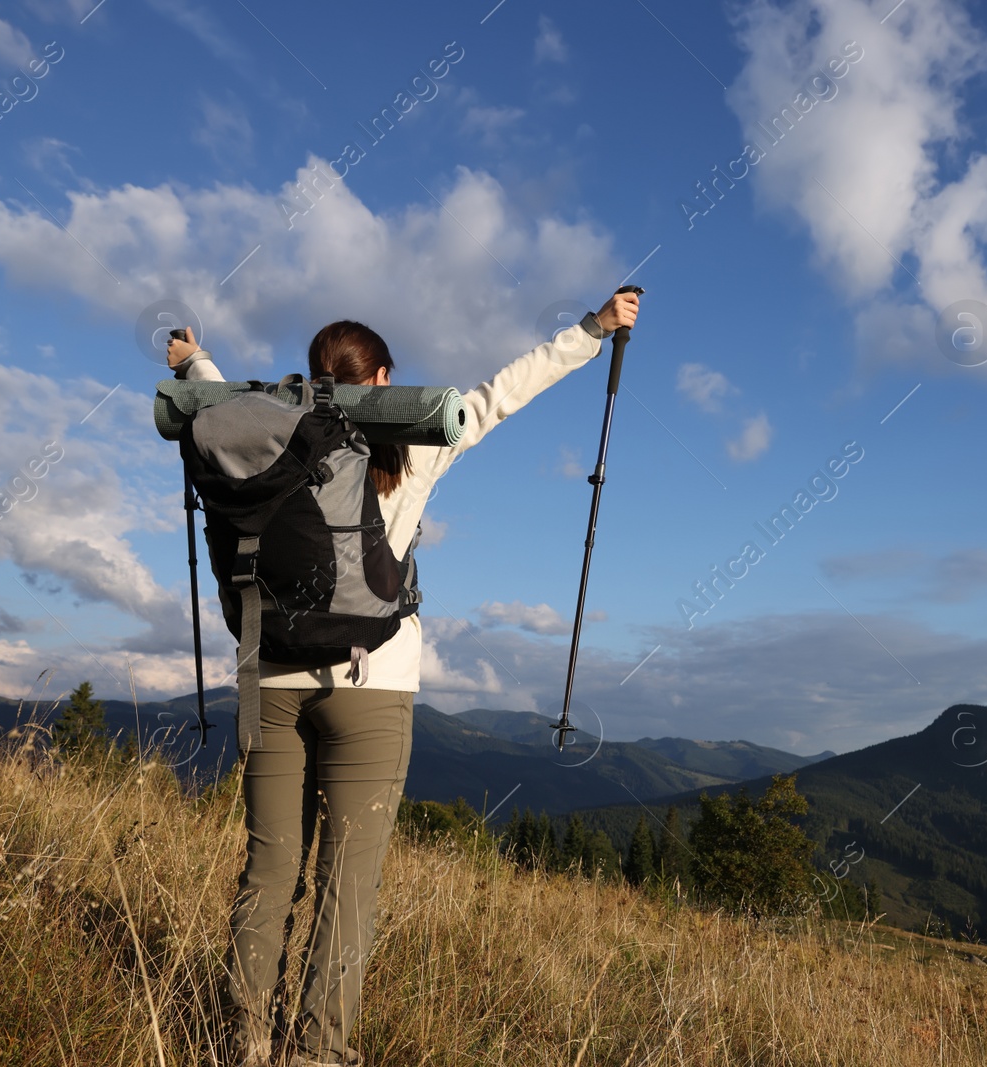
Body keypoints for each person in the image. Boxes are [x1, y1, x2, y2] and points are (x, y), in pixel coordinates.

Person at [165, 289, 640, 1067]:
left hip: (269, 676)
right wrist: (592, 331)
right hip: (374, 680)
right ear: (382, 380)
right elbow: (501, 393)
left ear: (312, 377)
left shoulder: (262, 435)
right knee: (348, 882)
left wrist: (194, 360)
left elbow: (217, 408)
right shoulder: (415, 449)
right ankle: (317, 1054)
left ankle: (242, 1047)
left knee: (269, 868)